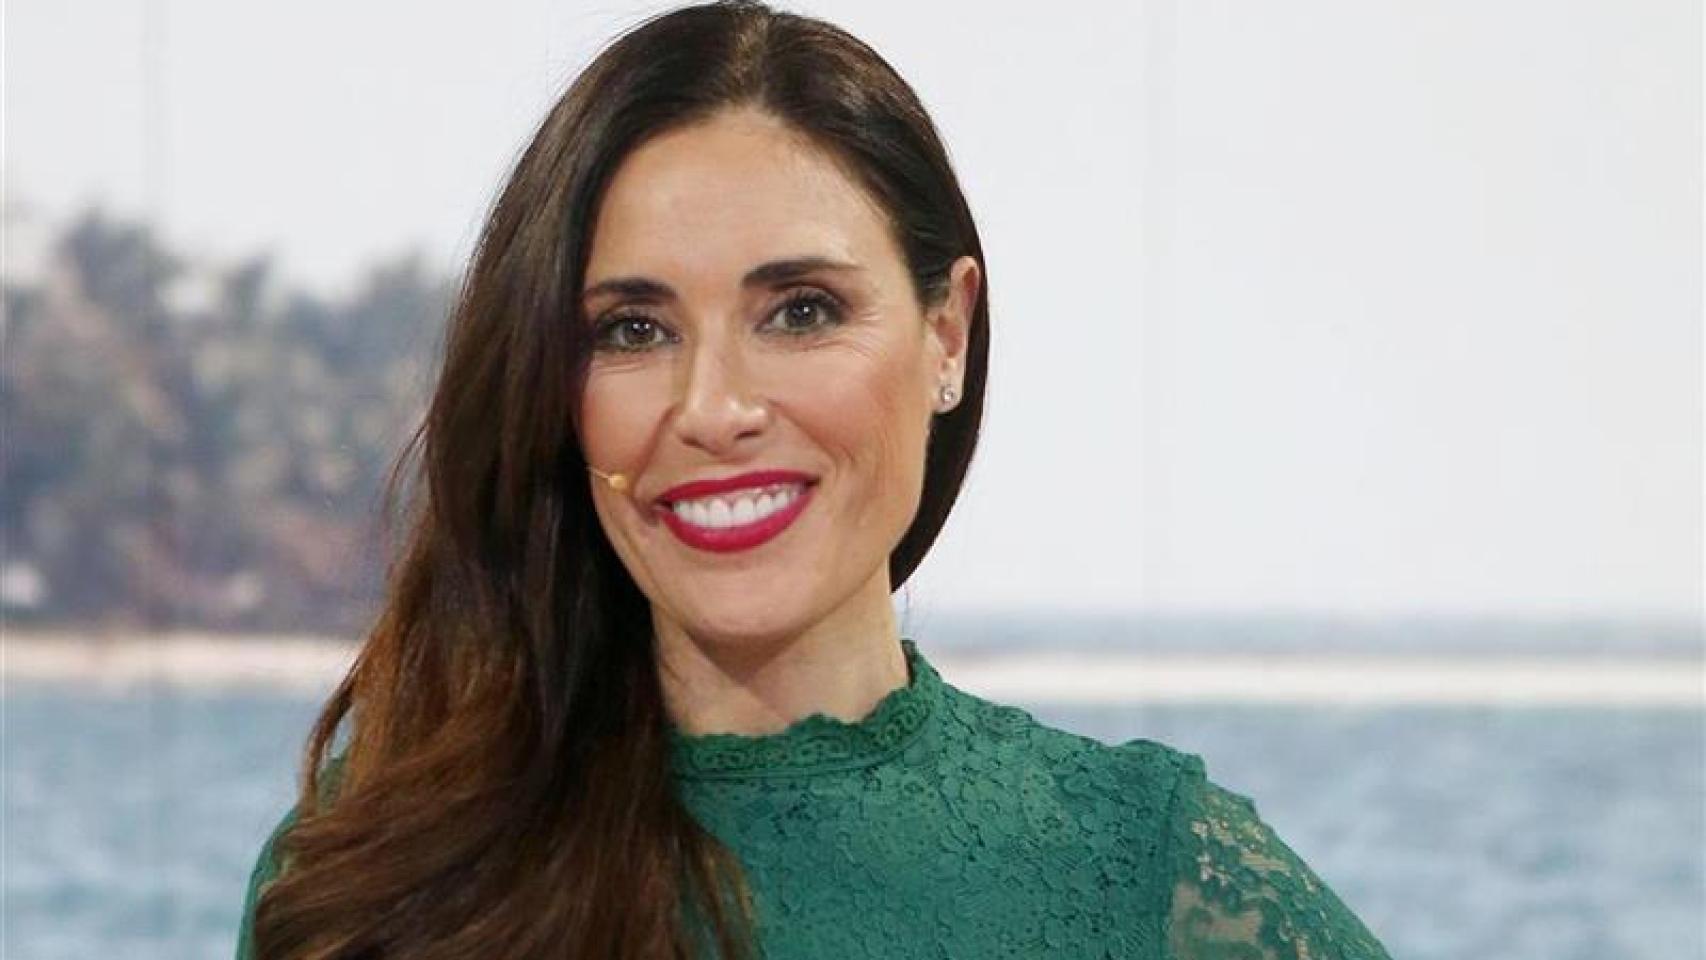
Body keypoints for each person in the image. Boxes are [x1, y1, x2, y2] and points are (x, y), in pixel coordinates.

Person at [235, 2, 1393, 958]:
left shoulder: (1144, 869)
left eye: (800, 312)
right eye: (633, 329)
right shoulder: (369, 878)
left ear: (946, 335)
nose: (713, 408)